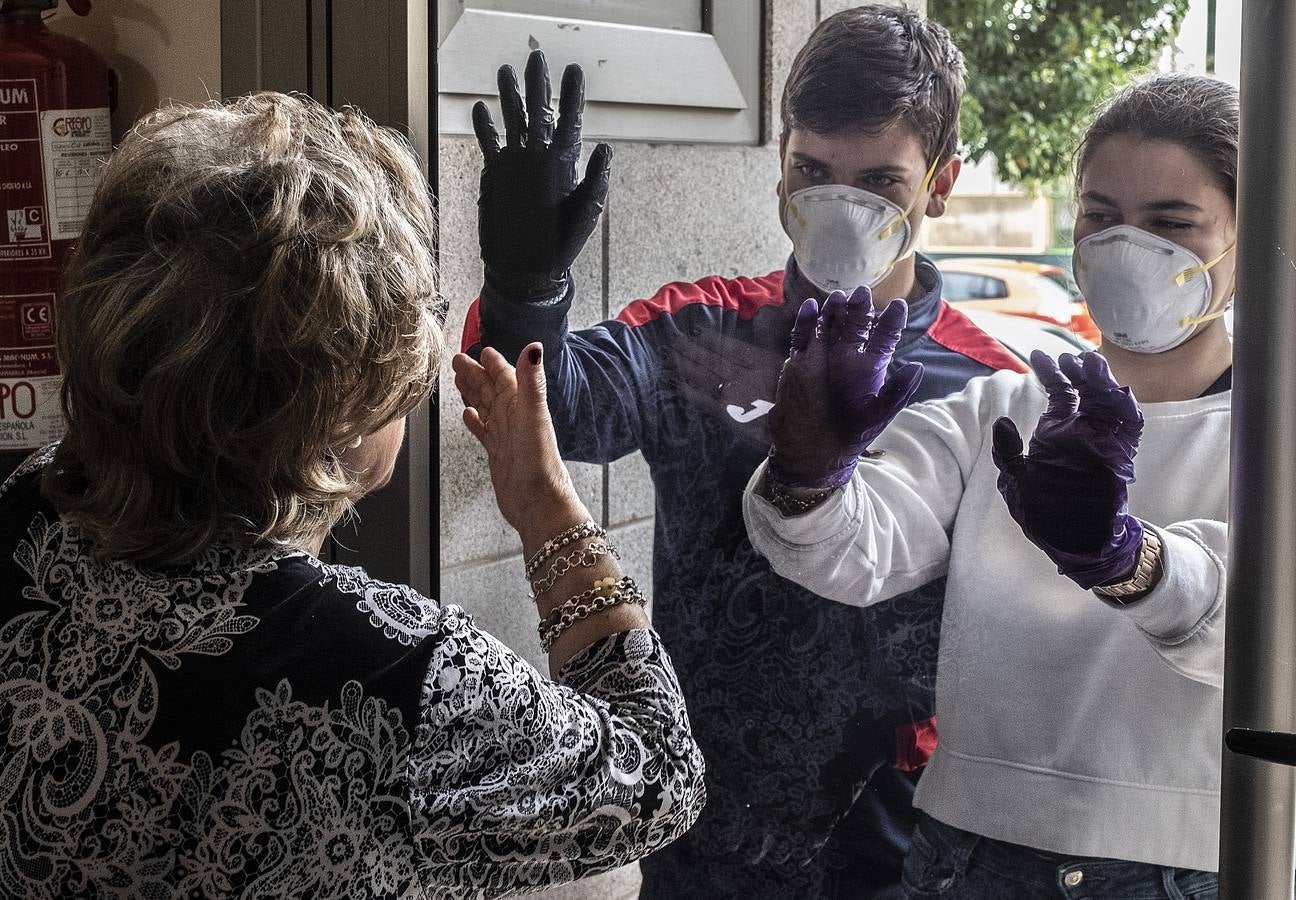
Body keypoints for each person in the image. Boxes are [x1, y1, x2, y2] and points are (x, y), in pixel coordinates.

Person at [0, 91, 705, 900]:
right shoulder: (390, 672)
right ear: (345, 407)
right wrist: (545, 501)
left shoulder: (26, 507)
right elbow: (658, 777)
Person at [463, 7, 1027, 897]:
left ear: (942, 182)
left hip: (901, 850)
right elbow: (558, 407)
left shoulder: (989, 386)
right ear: (780, 166)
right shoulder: (705, 325)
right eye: (814, 170)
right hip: (697, 840)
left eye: (881, 181)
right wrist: (528, 289)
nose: (842, 206)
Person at [744, 72, 1236, 898]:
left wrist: (1127, 560)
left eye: (1171, 223)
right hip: (967, 854)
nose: (1127, 246)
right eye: (1101, 216)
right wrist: (810, 471)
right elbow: (858, 547)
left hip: (1181, 866)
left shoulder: (1276, 440)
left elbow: (1265, 632)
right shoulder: (1001, 410)